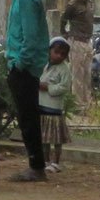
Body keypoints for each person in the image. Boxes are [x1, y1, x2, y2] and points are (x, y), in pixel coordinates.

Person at [1, 0, 50, 183]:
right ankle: (36, 165)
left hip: (24, 67)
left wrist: (19, 64)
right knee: (26, 116)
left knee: (28, 117)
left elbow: (30, 39)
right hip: (21, 65)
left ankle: (36, 167)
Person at [61, 0, 95, 116]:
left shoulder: (90, 4)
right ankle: (78, 106)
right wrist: (64, 33)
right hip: (76, 41)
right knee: (77, 75)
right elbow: (63, 20)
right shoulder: (72, 5)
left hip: (88, 41)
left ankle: (87, 103)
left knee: (87, 74)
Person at [39, 38, 72, 173]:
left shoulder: (64, 69)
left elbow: (64, 87)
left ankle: (56, 162)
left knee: (56, 139)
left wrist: (48, 87)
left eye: (62, 54)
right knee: (45, 138)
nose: (59, 56)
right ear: (49, 51)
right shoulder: (44, 64)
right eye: (56, 52)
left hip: (54, 109)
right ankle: (46, 160)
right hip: (42, 106)